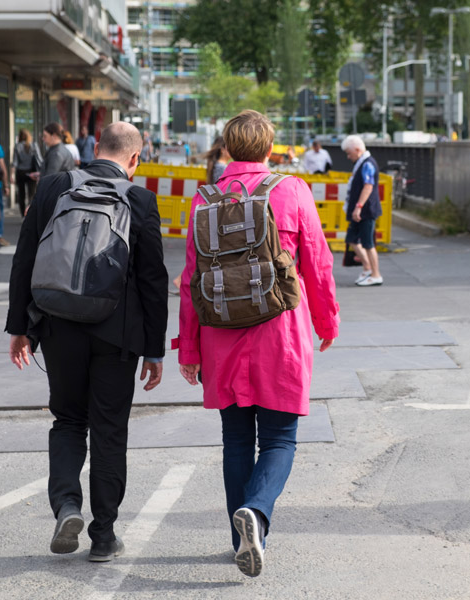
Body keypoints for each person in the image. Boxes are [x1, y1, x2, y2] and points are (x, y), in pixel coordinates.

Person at [176, 110, 339, 578]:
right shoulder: (291, 191)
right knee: (280, 439)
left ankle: (239, 539)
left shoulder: (204, 199)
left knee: (235, 441)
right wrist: (327, 321)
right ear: (271, 147)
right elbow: (318, 263)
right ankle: (258, 514)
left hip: (221, 334)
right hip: (279, 332)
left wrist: (189, 349)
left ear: (225, 149)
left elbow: (192, 279)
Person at [7, 121, 168, 564]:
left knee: (68, 420)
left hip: (58, 326)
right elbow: (153, 280)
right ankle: (103, 535)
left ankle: (66, 506)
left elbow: (26, 257)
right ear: (135, 158)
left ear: (95, 148)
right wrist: (154, 349)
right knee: (110, 431)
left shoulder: (55, 186)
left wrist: (20, 327)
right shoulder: (140, 199)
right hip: (117, 336)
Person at [341, 135, 382, 285]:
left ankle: (376, 274)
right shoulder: (363, 163)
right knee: (352, 239)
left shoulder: (367, 164)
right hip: (362, 209)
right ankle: (368, 268)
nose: (348, 156)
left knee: (368, 243)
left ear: (357, 150)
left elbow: (368, 186)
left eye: (349, 153)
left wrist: (358, 207)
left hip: (366, 210)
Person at [13, 130, 40, 215]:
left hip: (20, 172)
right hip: (31, 172)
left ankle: (22, 214)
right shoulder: (34, 145)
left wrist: (12, 175)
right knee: (31, 194)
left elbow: (15, 162)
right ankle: (30, 213)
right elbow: (39, 159)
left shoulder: (17, 146)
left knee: (21, 194)